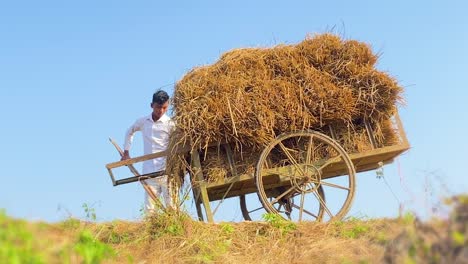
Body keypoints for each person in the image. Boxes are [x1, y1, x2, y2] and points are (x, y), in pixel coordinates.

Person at [121, 90, 175, 212]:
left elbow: (178, 143)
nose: (161, 111)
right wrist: (126, 152)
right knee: (150, 210)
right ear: (152, 105)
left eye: (164, 108)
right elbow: (129, 132)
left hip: (167, 172)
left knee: (172, 207)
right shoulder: (143, 122)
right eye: (158, 107)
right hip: (149, 172)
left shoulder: (171, 124)